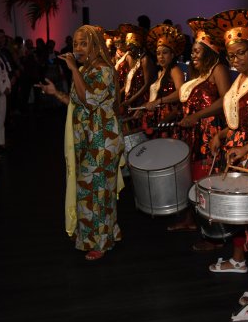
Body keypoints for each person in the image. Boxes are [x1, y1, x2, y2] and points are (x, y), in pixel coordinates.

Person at [36, 25, 124, 261]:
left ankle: (100, 242)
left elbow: (90, 99)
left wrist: (73, 68)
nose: (77, 48)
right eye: (75, 44)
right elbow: (77, 103)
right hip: (89, 141)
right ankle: (104, 233)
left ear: (95, 45)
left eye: (83, 43)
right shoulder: (85, 70)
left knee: (98, 191)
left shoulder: (104, 70)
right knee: (94, 190)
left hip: (102, 141)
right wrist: (56, 92)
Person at [205, 9, 248, 274]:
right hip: (236, 149)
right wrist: (219, 135)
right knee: (237, 209)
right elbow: (235, 118)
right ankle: (239, 259)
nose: (236, 59)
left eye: (241, 53)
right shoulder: (240, 79)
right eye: (232, 55)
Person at [167, 17, 231, 239]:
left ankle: (212, 234)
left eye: (196, 51)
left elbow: (225, 101)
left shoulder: (218, 69)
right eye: (191, 51)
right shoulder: (200, 74)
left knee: (206, 180)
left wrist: (196, 116)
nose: (192, 55)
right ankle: (192, 220)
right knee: (192, 177)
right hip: (193, 130)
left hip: (208, 131)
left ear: (209, 51)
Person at [135, 24, 185, 136]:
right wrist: (143, 107)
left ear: (172, 55)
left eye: (165, 53)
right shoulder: (159, 72)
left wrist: (159, 101)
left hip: (167, 121)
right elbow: (153, 97)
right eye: (158, 53)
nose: (161, 56)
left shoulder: (174, 70)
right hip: (155, 120)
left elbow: (181, 93)